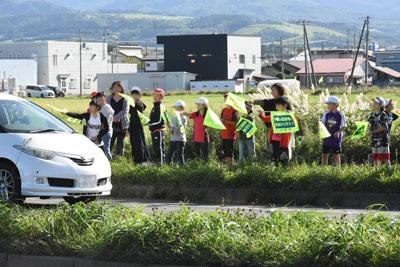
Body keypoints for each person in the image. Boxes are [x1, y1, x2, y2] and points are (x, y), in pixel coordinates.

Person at [247, 83, 293, 154]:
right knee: (273, 147)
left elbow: (290, 115)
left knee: (284, 147)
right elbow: (264, 102)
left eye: (274, 90)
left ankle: (283, 162)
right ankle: (275, 161)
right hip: (272, 129)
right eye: (272, 90)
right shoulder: (272, 101)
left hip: (283, 131)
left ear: (280, 90)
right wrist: (253, 102)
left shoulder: (285, 101)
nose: (272, 92)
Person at [258, 97, 294, 166]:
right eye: (276, 105)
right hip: (275, 138)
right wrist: (260, 115)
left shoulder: (288, 115)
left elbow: (294, 122)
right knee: (275, 155)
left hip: (284, 141)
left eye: (279, 105)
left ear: (285, 106)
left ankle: (284, 168)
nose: (277, 107)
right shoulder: (275, 115)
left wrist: (290, 115)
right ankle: (276, 167)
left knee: (283, 156)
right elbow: (267, 119)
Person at [321, 96, 347, 168]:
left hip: (336, 138)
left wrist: (338, 132)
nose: (328, 106)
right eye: (327, 104)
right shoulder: (326, 113)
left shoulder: (340, 114)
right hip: (326, 138)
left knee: (336, 154)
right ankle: (323, 169)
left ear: (336, 105)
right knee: (325, 154)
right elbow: (321, 122)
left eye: (329, 104)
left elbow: (344, 126)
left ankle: (338, 170)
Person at [106, 81, 129, 156]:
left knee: (120, 142)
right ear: (112, 88)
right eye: (114, 87)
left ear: (121, 88)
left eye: (118, 87)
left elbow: (125, 110)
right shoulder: (109, 98)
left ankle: (119, 158)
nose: (116, 89)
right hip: (111, 123)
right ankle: (109, 156)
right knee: (110, 141)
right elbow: (106, 109)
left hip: (122, 123)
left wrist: (116, 117)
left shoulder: (125, 98)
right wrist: (112, 118)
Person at [367, 97, 391, 168]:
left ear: (381, 105)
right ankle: (376, 173)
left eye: (376, 103)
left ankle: (388, 173)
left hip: (383, 140)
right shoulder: (372, 115)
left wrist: (371, 132)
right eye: (374, 102)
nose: (374, 104)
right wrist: (368, 132)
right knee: (375, 158)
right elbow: (370, 126)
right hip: (374, 140)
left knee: (385, 158)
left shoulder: (383, 115)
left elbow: (384, 127)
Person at [148, 88, 169, 166]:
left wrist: (150, 124)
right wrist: (148, 122)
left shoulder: (160, 106)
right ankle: (158, 164)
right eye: (154, 94)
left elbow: (159, 120)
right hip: (154, 130)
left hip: (159, 130)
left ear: (161, 97)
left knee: (159, 148)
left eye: (157, 95)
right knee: (155, 148)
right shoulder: (155, 106)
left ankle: (160, 165)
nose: (154, 96)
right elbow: (153, 119)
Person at [128, 87, 150, 164]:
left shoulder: (137, 103)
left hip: (136, 124)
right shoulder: (137, 102)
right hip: (136, 124)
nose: (134, 96)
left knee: (138, 143)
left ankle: (139, 159)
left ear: (139, 95)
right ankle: (139, 158)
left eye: (135, 94)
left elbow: (137, 115)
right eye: (132, 94)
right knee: (138, 142)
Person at [166, 100, 187, 165]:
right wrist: (171, 130)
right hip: (173, 139)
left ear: (182, 108)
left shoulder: (183, 118)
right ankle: (169, 167)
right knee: (169, 153)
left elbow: (181, 129)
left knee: (179, 154)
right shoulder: (174, 118)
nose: (176, 110)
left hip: (180, 139)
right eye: (175, 108)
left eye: (177, 108)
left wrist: (171, 127)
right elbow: (173, 128)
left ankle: (182, 168)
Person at [94, 92, 114, 160]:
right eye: (97, 99)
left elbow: (102, 120)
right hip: (102, 131)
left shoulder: (106, 108)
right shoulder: (102, 108)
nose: (98, 101)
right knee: (102, 149)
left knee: (106, 149)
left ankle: (111, 163)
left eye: (99, 99)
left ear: (104, 98)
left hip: (106, 132)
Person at [221, 93, 238, 167]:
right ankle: (227, 167)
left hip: (231, 134)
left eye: (228, 98)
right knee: (225, 151)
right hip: (224, 134)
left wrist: (225, 121)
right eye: (225, 98)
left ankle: (231, 167)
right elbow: (221, 121)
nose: (226, 100)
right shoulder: (223, 110)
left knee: (229, 152)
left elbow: (235, 122)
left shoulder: (234, 111)